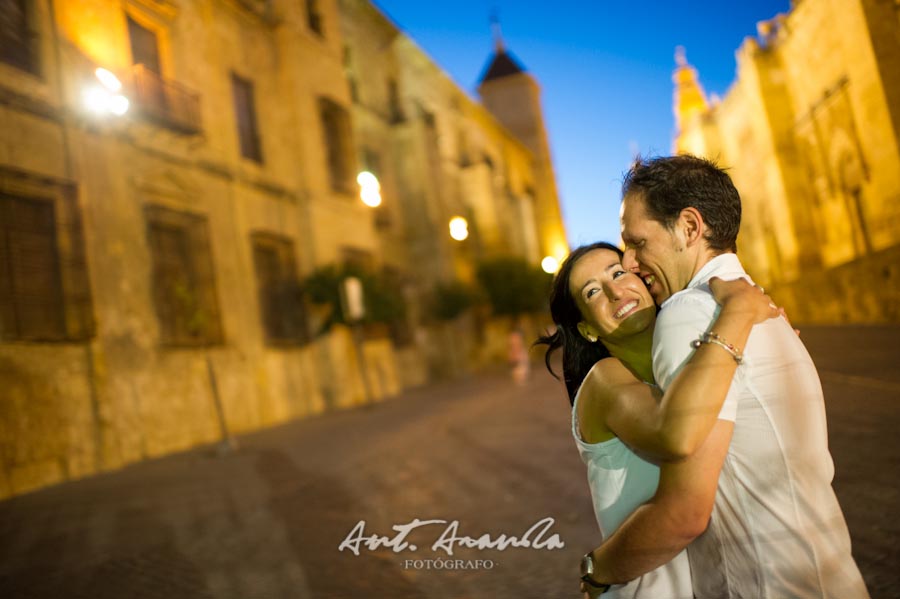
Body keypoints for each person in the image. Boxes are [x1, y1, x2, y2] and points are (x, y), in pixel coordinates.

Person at [583, 155, 868, 598]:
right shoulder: (758, 305)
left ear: (690, 228)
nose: (631, 261)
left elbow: (684, 512)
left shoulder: (687, 313)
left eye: (637, 243)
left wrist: (596, 571)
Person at [537, 241, 780, 598]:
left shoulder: (684, 368)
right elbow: (674, 433)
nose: (615, 291)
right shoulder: (603, 381)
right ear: (588, 329)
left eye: (618, 273)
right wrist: (738, 313)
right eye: (592, 292)